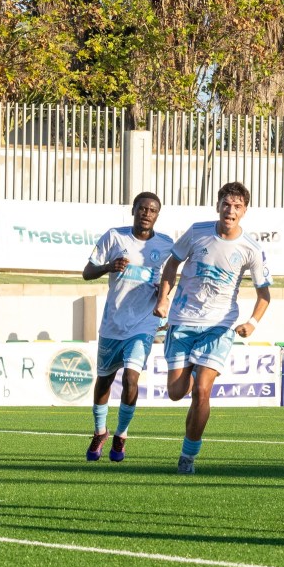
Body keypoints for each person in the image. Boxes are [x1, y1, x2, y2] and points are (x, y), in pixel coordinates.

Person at [154, 182, 271, 474]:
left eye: (237, 206)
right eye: (226, 204)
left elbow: (264, 294)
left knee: (202, 391)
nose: (230, 211)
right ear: (218, 205)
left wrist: (252, 322)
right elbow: (172, 264)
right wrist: (163, 299)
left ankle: (188, 456)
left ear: (244, 211)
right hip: (183, 320)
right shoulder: (197, 232)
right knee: (176, 392)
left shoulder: (251, 249)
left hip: (219, 326)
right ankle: (194, 369)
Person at [82, 192, 174, 463]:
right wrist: (109, 266)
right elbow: (87, 272)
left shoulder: (166, 244)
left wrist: (164, 295)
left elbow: (172, 275)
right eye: (142, 208)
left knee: (131, 378)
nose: (147, 213)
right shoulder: (115, 237)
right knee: (104, 380)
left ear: (157, 215)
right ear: (133, 210)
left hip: (144, 323)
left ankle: (121, 434)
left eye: (153, 210)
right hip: (113, 322)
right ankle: (100, 432)